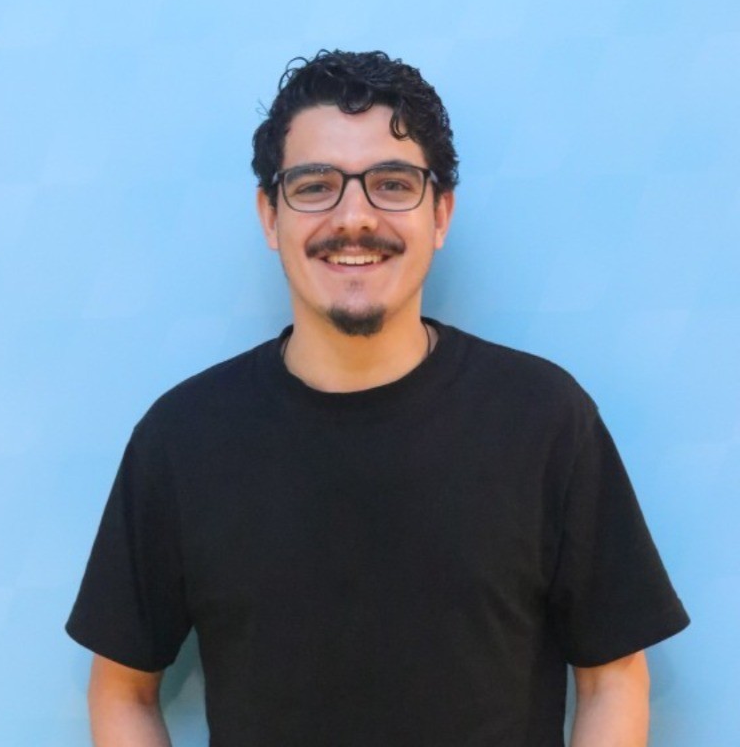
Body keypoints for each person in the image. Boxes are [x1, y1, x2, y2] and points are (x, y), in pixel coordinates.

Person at [67, 49, 689, 746]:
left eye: (392, 184)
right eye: (315, 185)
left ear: (441, 213)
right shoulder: (183, 438)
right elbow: (121, 690)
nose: (355, 217)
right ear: (270, 216)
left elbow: (613, 677)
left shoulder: (545, 419)